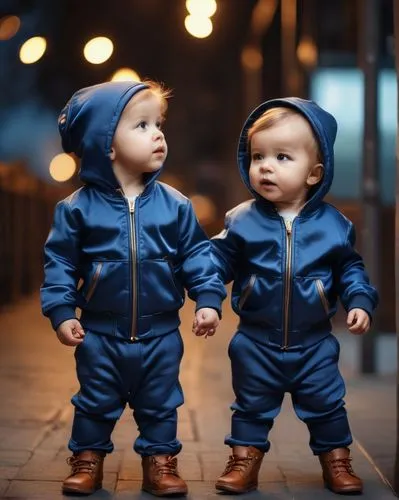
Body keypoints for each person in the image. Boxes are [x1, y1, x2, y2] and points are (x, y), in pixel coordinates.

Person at [40, 80, 226, 497]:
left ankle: (160, 463)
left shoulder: (175, 205)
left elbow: (197, 255)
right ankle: (88, 460)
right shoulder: (76, 210)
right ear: (105, 143)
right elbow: (61, 265)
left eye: (158, 124)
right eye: (141, 126)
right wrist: (62, 312)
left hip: (160, 332)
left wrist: (208, 299)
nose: (158, 133)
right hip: (100, 333)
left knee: (161, 402)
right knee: (94, 401)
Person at [211, 97, 378, 495]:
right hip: (255, 341)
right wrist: (207, 297)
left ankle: (337, 462)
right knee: (250, 406)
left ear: (314, 174)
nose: (265, 166)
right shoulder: (241, 221)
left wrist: (359, 301)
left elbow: (350, 268)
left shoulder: (334, 226)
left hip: (314, 342)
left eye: (282, 157)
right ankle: (244, 462)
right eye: (257, 156)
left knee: (327, 406)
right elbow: (215, 261)